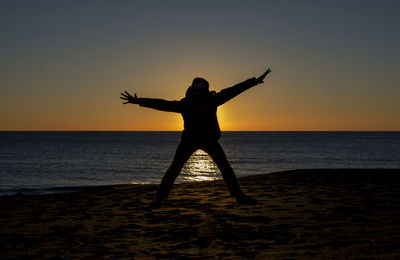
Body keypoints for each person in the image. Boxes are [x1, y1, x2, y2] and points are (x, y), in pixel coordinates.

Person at [121, 68, 271, 209]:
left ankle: (240, 198)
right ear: (192, 90)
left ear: (204, 90)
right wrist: (139, 101)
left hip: (209, 141)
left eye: (200, 89)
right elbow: (163, 104)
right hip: (190, 141)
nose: (198, 92)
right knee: (174, 170)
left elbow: (233, 90)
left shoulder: (212, 100)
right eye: (196, 89)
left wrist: (254, 81)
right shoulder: (187, 104)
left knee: (225, 169)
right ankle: (158, 199)